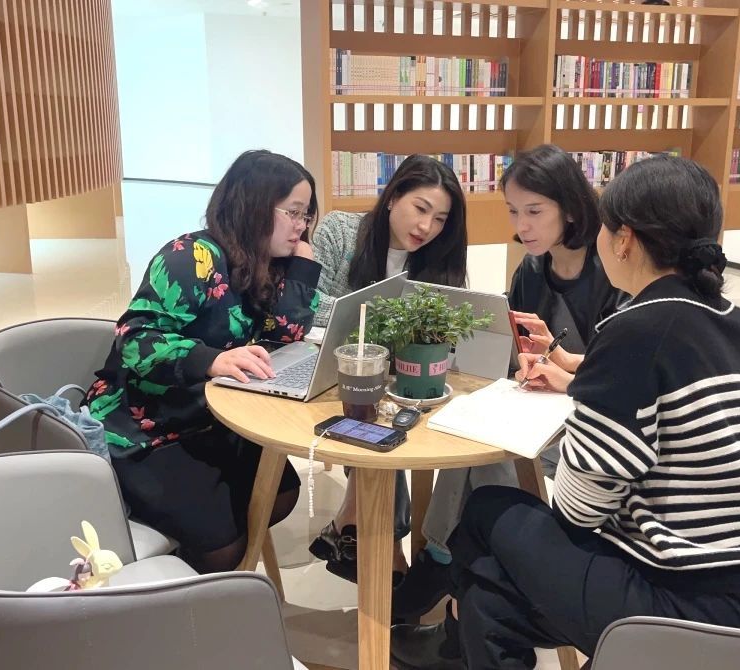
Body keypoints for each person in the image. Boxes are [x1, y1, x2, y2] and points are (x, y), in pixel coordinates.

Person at [390, 155, 740, 669]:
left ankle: (446, 612)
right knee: (490, 595)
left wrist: (583, 410)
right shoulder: (733, 320)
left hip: (683, 596)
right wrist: (587, 376)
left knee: (487, 512)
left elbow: (580, 508)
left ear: (624, 240)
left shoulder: (636, 328)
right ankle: (459, 629)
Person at [392, 144, 621, 618]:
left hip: (594, 419)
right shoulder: (532, 271)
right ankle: (460, 575)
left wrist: (562, 370)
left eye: (534, 211)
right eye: (514, 211)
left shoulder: (612, 270)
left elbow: (619, 370)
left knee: (492, 458)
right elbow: (521, 353)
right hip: (544, 407)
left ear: (570, 207)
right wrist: (525, 367)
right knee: (472, 429)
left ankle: (449, 567)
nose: (522, 226)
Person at [85, 150, 322, 574]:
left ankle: (209, 566)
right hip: (146, 426)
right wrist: (211, 361)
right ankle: (187, 582)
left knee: (282, 495)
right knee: (222, 545)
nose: (301, 226)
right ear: (253, 205)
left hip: (213, 417)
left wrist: (302, 271)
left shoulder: (270, 263)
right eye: (293, 212)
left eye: (306, 215)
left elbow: (284, 336)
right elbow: (135, 340)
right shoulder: (189, 257)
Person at [308, 154, 468, 582]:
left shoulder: (438, 259)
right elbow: (308, 304)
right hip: (337, 376)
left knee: (395, 414)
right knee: (374, 408)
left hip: (407, 380)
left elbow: (448, 330)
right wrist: (389, 322)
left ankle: (353, 524)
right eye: (421, 208)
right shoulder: (341, 231)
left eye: (440, 219)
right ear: (394, 195)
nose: (426, 227)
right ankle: (385, 546)